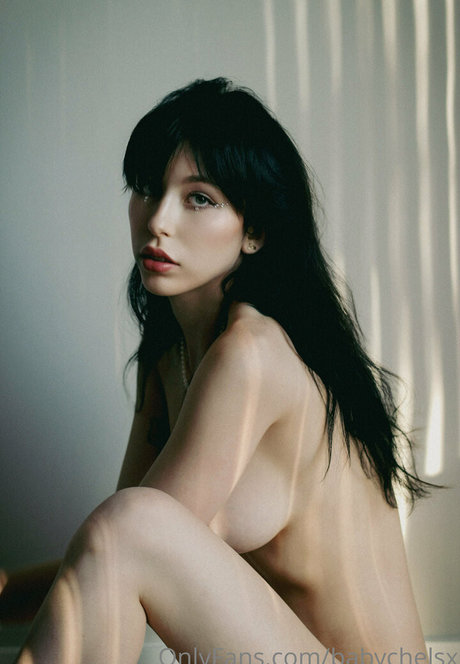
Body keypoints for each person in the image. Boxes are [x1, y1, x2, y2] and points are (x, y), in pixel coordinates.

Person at [5, 77, 430, 663]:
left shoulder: (251, 353)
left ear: (254, 231)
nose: (158, 219)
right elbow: (106, 554)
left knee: (130, 523)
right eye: (148, 188)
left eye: (199, 198)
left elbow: (127, 536)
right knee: (127, 524)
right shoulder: (170, 355)